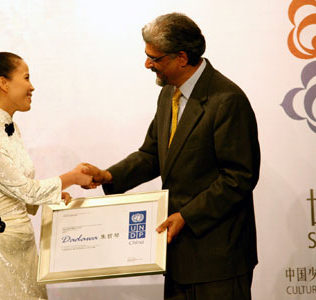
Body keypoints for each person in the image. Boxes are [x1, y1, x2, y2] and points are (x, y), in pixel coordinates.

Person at [82, 13, 260, 300]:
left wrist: (186, 216)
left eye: (155, 58)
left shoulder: (227, 100)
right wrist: (109, 176)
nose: (147, 64)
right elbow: (152, 154)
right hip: (178, 258)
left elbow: (239, 178)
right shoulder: (168, 95)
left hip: (218, 260)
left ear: (181, 57)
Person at [0, 52, 93, 300]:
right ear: (4, 83)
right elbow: (25, 189)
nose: (32, 86)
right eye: (27, 77)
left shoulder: (10, 128)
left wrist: (51, 196)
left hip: (21, 244)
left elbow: (19, 193)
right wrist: (72, 177)